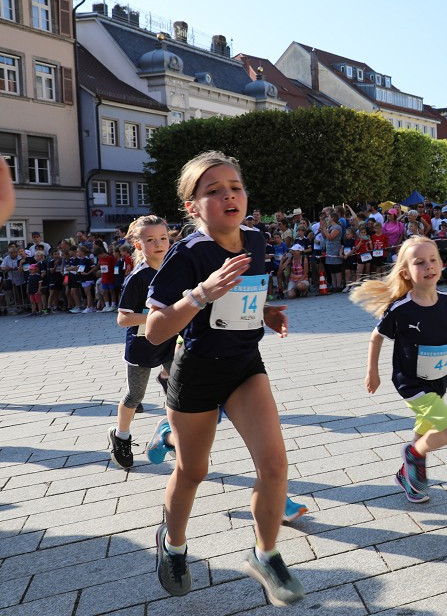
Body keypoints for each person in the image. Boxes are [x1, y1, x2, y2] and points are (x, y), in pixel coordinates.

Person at [143, 151, 303, 605]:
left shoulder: (256, 239)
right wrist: (201, 293)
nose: (228, 195)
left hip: (245, 366)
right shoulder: (188, 254)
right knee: (193, 470)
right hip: (196, 373)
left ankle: (265, 553)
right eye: (213, 191)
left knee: (273, 466)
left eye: (234, 186)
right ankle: (172, 545)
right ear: (193, 207)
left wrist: (264, 312)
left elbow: (245, 297)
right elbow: (154, 330)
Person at [353, 236, 447, 503]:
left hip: (440, 380)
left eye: (433, 260)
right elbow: (376, 337)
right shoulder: (401, 309)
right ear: (406, 272)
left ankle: (409, 477)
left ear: (441, 265)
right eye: (420, 262)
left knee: (424, 431)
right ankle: (413, 455)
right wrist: (372, 372)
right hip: (411, 383)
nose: (429, 266)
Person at [108, 216, 175, 469]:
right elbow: (122, 318)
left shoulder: (174, 270)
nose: (158, 244)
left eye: (163, 238)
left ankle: (172, 434)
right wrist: (154, 316)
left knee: (181, 390)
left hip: (170, 340)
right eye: (150, 240)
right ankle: (121, 435)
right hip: (142, 343)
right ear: (138, 245)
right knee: (136, 395)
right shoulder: (137, 277)